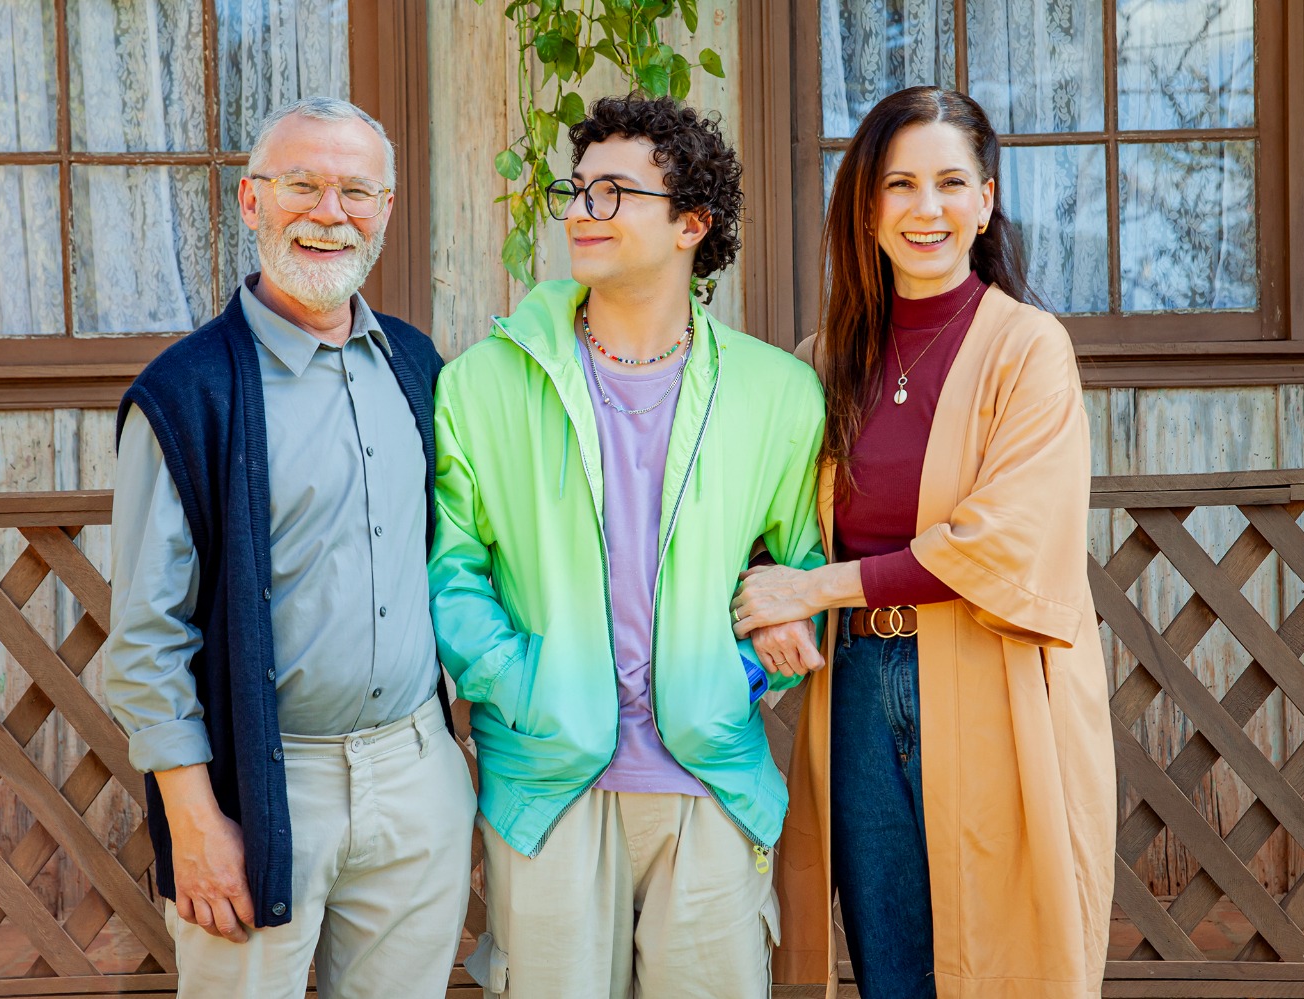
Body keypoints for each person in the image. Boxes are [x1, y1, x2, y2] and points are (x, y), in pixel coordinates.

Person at [429, 93, 826, 999]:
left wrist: (752, 670)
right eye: (575, 191)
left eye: (612, 193)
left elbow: (804, 564)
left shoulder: (780, 394)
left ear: (692, 223)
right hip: (548, 780)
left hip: (713, 777)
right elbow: (452, 570)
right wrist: (517, 682)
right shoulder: (481, 384)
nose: (579, 212)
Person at [732, 86, 1115, 999]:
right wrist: (762, 581)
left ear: (985, 201)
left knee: (1004, 961)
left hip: (992, 684)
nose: (926, 208)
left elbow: (1000, 542)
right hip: (860, 693)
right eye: (900, 185)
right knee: (891, 968)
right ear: (868, 208)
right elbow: (757, 517)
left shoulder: (1030, 350)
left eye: (951, 182)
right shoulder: (822, 363)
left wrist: (814, 590)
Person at [103, 96, 475, 999]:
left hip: (416, 768)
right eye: (301, 185)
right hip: (265, 780)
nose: (328, 212)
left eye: (355, 190)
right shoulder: (186, 393)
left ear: (384, 210)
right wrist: (192, 819)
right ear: (250, 201)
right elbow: (148, 638)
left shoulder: (416, 366)